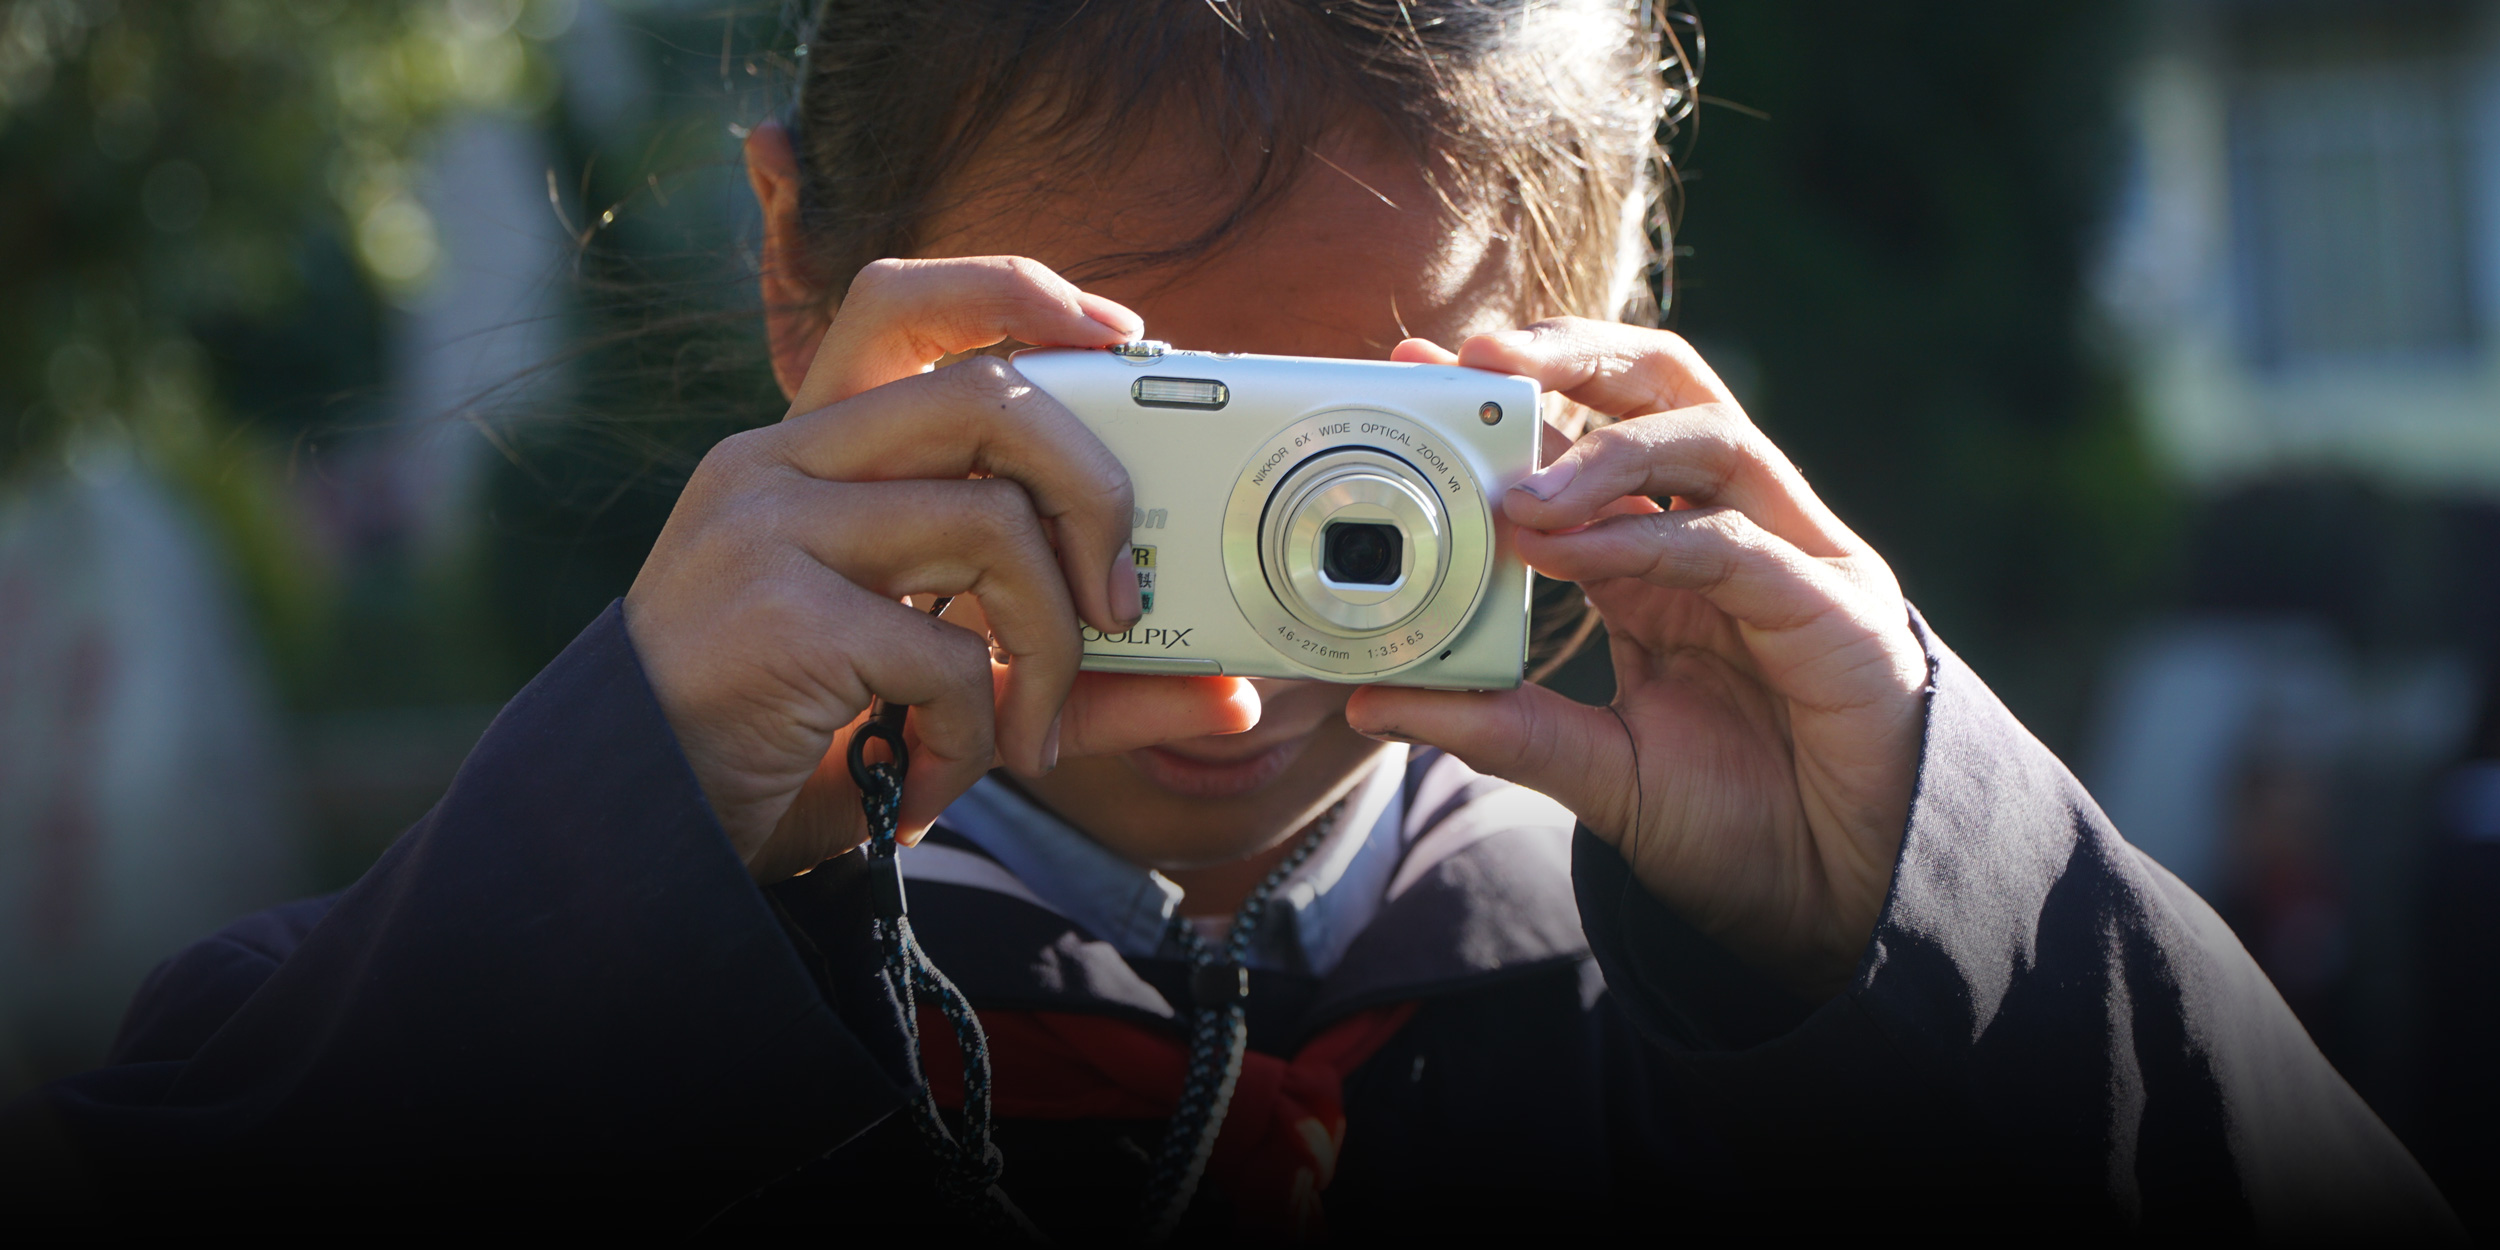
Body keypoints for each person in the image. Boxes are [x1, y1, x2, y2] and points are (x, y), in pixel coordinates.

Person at [0, 0, 2461, 1238]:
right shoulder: (447, 1026)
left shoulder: (1823, 1053)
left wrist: (1963, 914)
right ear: (797, 269)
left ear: (1608, 336)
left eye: (1361, 491)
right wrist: (609, 875)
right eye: (1127, 445)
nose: (1241, 668)